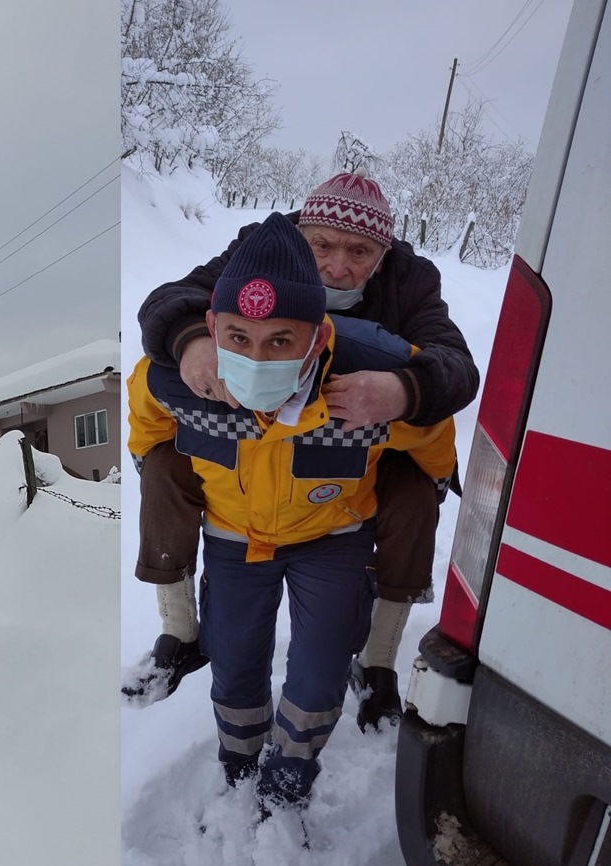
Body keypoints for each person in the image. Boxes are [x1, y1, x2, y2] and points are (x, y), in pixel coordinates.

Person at [125, 212, 458, 813]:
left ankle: (290, 781)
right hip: (233, 540)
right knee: (233, 659)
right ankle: (238, 762)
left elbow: (433, 429)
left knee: (320, 669)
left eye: (282, 340)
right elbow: (147, 416)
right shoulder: (177, 376)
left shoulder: (367, 381)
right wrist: (153, 460)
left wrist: (418, 448)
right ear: (209, 328)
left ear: (322, 337)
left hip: (333, 538)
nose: (258, 357)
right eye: (238, 339)